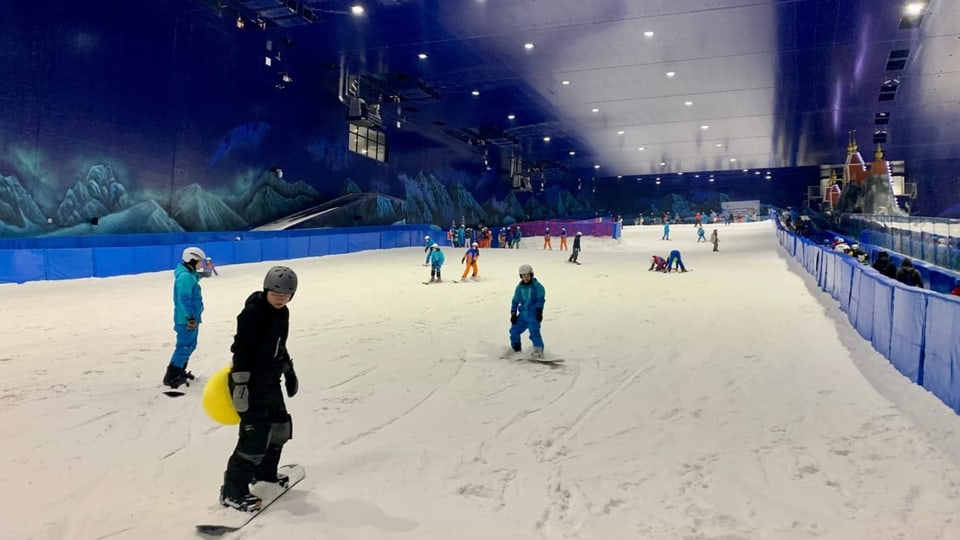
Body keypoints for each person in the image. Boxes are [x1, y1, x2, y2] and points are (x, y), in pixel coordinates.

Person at [220, 266, 300, 512]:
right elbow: (240, 349)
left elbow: (279, 346)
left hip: (269, 381)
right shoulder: (253, 313)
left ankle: (265, 474)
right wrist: (241, 383)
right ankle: (232, 491)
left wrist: (288, 370)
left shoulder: (282, 313)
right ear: (266, 290)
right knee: (254, 436)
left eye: (285, 295)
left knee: (279, 427)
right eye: (275, 294)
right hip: (250, 383)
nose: (280, 299)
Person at [163, 246, 205, 389]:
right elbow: (184, 298)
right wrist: (190, 317)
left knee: (190, 346)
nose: (201, 264)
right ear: (191, 260)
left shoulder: (189, 275)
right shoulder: (185, 277)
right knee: (184, 347)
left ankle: (179, 371)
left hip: (190, 317)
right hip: (186, 319)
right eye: (199, 261)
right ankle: (172, 376)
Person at [509, 264, 546, 358]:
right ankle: (516, 349)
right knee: (514, 330)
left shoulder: (537, 286)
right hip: (522, 315)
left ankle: (538, 351)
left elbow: (540, 299)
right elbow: (515, 300)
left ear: (531, 275)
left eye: (527, 275)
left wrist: (539, 311)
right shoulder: (519, 288)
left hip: (533, 314)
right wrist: (513, 313)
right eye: (523, 275)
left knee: (534, 331)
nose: (526, 277)